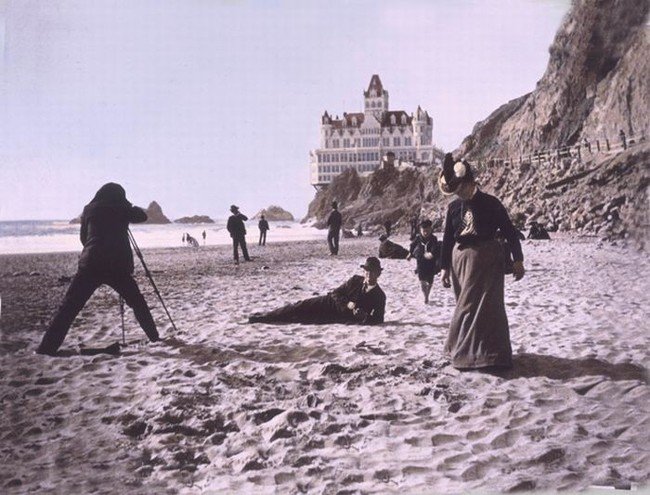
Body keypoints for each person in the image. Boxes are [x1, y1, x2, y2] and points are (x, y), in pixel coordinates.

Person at [36, 183, 159, 356]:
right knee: (137, 302)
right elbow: (142, 216)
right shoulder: (121, 207)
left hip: (90, 264)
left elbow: (83, 238)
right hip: (117, 266)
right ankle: (154, 338)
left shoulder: (89, 209)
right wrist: (128, 205)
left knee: (68, 308)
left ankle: (46, 348)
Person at [438, 153, 525, 370]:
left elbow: (509, 231)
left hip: (487, 261)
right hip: (461, 263)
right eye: (455, 191)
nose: (459, 194)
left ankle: (491, 356)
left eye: (461, 188)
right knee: (464, 304)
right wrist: (444, 268)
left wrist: (518, 259)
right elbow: (447, 239)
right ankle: (463, 351)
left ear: (471, 182)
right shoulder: (453, 208)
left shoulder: (491, 203)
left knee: (488, 307)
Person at [249, 257, 386, 325]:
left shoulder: (380, 296)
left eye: (372, 272)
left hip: (337, 318)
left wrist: (364, 317)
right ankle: (265, 317)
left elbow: (379, 319)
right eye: (366, 271)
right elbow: (336, 293)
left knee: (301, 319)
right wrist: (348, 304)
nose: (368, 275)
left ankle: (270, 317)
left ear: (378, 274)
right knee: (299, 306)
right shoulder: (356, 279)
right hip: (329, 303)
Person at [407, 219, 440, 304]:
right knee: (422, 280)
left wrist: (431, 253)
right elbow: (412, 245)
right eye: (423, 231)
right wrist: (410, 254)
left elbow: (435, 247)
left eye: (427, 231)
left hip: (431, 262)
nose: (425, 233)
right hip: (421, 260)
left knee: (430, 281)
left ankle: (427, 294)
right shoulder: (418, 238)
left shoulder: (433, 238)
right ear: (420, 230)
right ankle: (425, 296)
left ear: (431, 230)